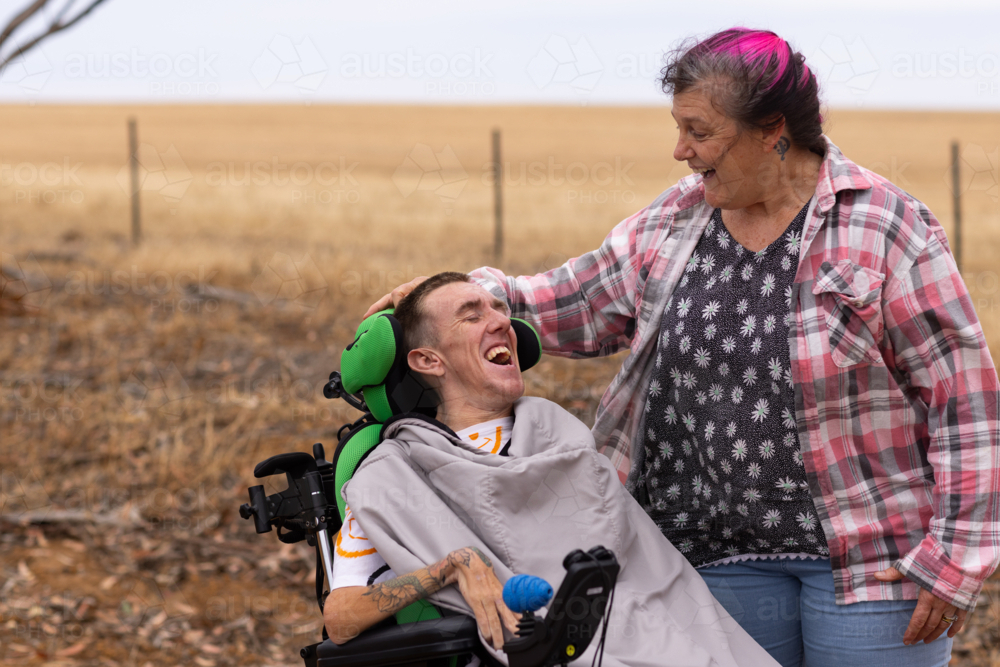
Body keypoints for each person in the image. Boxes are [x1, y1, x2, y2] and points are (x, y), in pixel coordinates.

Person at [367, 27, 1000, 667]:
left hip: (867, 566)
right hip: (706, 559)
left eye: (699, 131)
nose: (680, 151)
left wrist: (955, 559)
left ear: (772, 128)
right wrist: (466, 294)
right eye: (678, 128)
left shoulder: (884, 226)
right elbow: (580, 299)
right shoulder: (675, 220)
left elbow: (964, 399)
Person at [328, 272, 778, 667]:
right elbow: (341, 619)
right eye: (471, 315)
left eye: (499, 309)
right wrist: (448, 567)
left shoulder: (559, 432)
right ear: (429, 360)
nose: (501, 321)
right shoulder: (392, 475)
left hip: (663, 633)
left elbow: (646, 568)